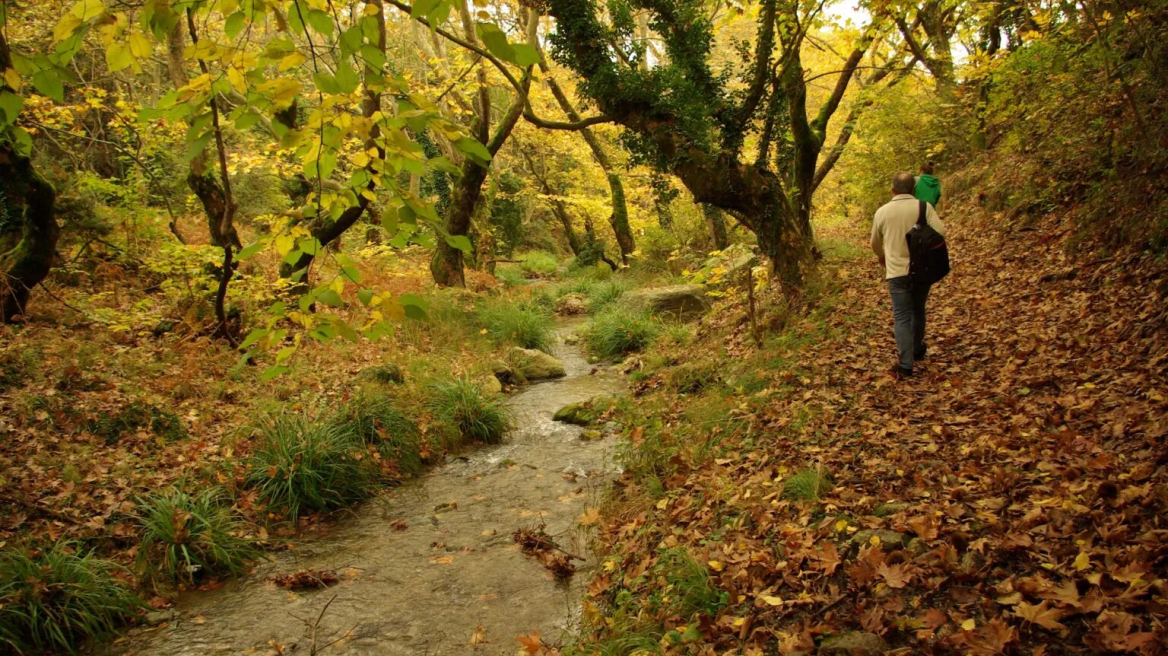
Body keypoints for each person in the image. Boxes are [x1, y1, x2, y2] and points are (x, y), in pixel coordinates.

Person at [871, 172, 946, 378]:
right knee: (918, 310)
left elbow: (875, 243)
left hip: (896, 272)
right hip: (921, 269)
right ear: (913, 189)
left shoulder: (882, 212)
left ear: (892, 189)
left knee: (902, 316)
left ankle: (906, 364)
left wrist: (882, 256)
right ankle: (916, 348)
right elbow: (941, 232)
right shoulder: (924, 207)